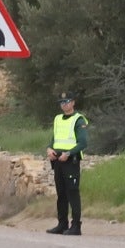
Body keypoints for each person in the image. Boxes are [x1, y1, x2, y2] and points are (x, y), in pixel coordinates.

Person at [47, 93, 91, 236]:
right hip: (58, 160)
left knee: (72, 192)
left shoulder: (78, 120)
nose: (64, 104)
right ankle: (62, 223)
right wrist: (49, 149)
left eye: (66, 101)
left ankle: (76, 225)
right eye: (62, 102)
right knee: (61, 193)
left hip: (71, 160)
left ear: (73, 103)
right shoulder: (58, 119)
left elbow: (83, 143)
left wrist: (69, 153)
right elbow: (54, 139)